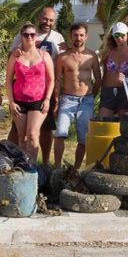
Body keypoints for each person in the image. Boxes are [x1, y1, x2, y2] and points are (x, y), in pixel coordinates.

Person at [7, 7, 65, 165]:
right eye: (45, 19)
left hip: (43, 93)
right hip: (21, 94)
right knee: (19, 133)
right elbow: (10, 62)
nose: (48, 22)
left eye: (51, 20)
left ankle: (42, 164)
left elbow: (62, 61)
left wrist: (53, 95)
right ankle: (16, 163)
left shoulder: (57, 38)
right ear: (39, 17)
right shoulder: (21, 41)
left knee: (42, 131)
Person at [53, 22, 102, 168]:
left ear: (86, 37)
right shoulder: (63, 57)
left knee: (83, 137)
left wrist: (92, 95)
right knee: (60, 132)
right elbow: (57, 80)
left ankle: (76, 167)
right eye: (75, 35)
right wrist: (56, 100)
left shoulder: (92, 56)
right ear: (70, 36)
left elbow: (98, 79)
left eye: (81, 35)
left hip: (86, 100)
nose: (78, 38)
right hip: (67, 99)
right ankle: (56, 167)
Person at [5, 23, 55, 161]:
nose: (29, 37)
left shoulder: (44, 56)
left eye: (32, 34)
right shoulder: (15, 56)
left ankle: (32, 167)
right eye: (26, 34)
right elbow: (8, 80)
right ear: (21, 36)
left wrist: (47, 99)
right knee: (22, 137)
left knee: (33, 135)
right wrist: (11, 102)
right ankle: (23, 166)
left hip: (38, 100)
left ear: (36, 36)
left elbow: (51, 79)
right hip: (19, 100)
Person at [99, 22, 128, 117]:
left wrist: (126, 79)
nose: (119, 38)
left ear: (127, 35)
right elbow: (104, 73)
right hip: (108, 92)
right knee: (104, 123)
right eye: (116, 35)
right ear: (113, 37)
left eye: (122, 35)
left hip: (125, 92)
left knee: (123, 126)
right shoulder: (107, 53)